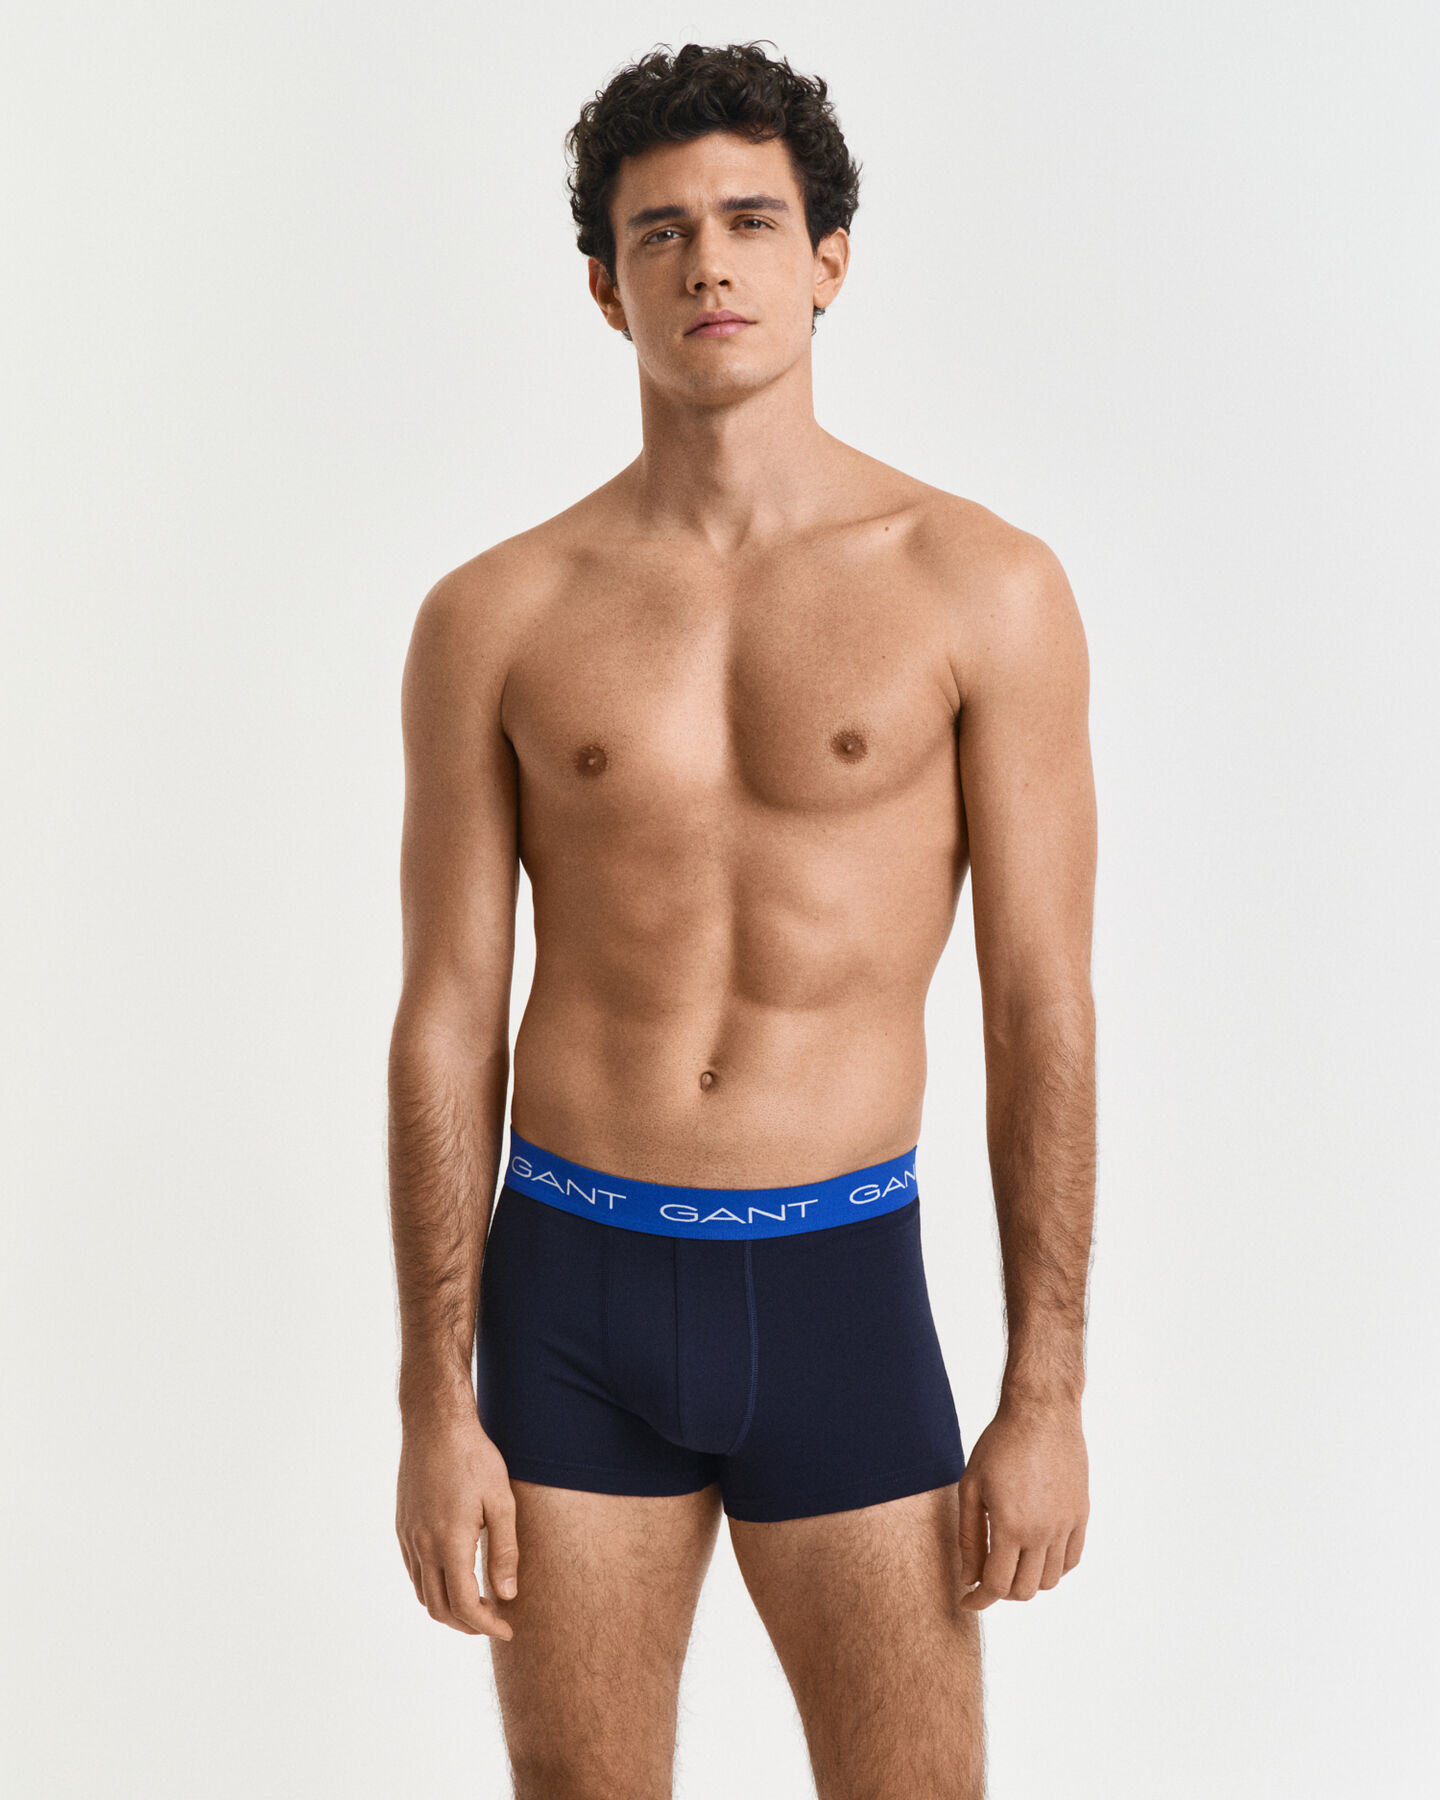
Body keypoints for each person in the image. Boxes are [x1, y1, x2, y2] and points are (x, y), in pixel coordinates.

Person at [388, 39, 1096, 1800]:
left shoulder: (981, 589)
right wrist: (431, 1401)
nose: (710, 263)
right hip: (570, 1289)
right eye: (662, 231)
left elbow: (1041, 1008)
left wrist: (1049, 1391)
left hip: (842, 1285)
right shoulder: (496, 616)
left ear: (827, 258)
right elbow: (447, 1016)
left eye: (752, 221)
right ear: (604, 284)